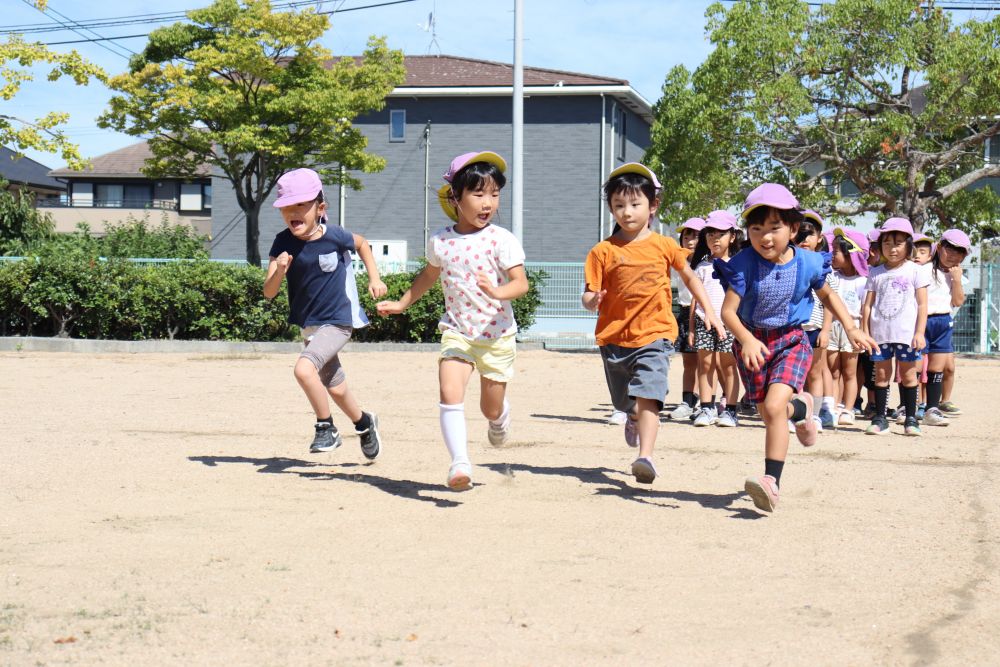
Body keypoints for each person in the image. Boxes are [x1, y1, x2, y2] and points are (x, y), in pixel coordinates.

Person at [714, 183, 875, 513]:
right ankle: (802, 411)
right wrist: (746, 339)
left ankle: (771, 482)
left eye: (775, 228)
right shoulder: (744, 263)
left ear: (793, 228)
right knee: (768, 413)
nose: (765, 237)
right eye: (757, 229)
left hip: (791, 341)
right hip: (753, 343)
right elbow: (728, 311)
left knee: (773, 408)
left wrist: (852, 326)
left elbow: (829, 295)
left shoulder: (809, 262)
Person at [376, 151, 527, 491]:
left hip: (496, 336)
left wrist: (498, 291)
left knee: (489, 408)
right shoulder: (441, 241)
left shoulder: (501, 239)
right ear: (456, 198)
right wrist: (402, 303)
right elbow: (429, 276)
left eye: (494, 194)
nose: (487, 203)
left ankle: (500, 415)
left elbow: (521, 283)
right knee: (449, 390)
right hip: (457, 331)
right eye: (478, 194)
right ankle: (460, 464)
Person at [582, 162, 724, 484]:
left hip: (656, 335)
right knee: (625, 400)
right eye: (619, 205)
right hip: (614, 338)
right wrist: (592, 301)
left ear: (653, 205)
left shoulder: (664, 247)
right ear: (611, 208)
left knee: (650, 393)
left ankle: (645, 456)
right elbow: (588, 295)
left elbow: (689, 277)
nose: (627, 212)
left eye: (635, 204)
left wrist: (711, 312)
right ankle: (630, 413)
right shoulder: (601, 252)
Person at [263, 167, 387, 458]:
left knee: (304, 369)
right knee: (336, 387)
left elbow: (362, 243)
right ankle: (364, 423)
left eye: (300, 205)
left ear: (320, 208)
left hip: (338, 321)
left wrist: (375, 278)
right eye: (286, 207)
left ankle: (325, 427)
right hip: (310, 326)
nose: (292, 212)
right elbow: (268, 291)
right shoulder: (282, 243)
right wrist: (279, 271)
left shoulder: (334, 236)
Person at [861, 217, 929, 436]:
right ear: (880, 246)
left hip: (906, 335)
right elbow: (868, 305)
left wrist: (919, 332)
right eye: (887, 243)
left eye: (898, 243)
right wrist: (865, 332)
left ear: (908, 245)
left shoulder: (915, 271)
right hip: (880, 335)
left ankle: (911, 418)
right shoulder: (875, 273)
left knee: (909, 376)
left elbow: (922, 303)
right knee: (881, 376)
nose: (892, 248)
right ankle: (880, 418)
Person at [689, 210, 740, 427]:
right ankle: (707, 408)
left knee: (729, 366)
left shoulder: (739, 264)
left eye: (720, 234)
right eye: (710, 234)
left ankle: (730, 410)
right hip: (704, 322)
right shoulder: (701, 267)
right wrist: (691, 327)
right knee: (705, 364)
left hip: (731, 323)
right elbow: (695, 300)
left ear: (733, 236)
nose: (715, 238)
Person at [921, 229, 971, 426]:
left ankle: (932, 409)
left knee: (936, 368)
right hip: (921, 320)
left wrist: (957, 280)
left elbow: (958, 301)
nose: (953, 255)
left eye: (959, 252)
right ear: (939, 247)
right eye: (949, 249)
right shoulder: (923, 269)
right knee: (915, 366)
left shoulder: (955, 275)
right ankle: (909, 407)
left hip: (943, 322)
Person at [796, 210, 837, 431]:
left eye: (810, 234)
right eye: (800, 234)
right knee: (795, 373)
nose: (805, 239)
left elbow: (828, 301)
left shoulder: (824, 266)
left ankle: (817, 414)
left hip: (816, 327)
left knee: (816, 371)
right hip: (793, 328)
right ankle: (797, 413)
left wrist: (826, 329)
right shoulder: (789, 262)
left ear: (820, 238)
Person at [826, 227, 870, 426]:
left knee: (850, 372)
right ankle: (833, 408)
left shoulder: (863, 282)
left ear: (851, 254)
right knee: (833, 371)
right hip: (832, 327)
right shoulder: (831, 277)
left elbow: (865, 309)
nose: (831, 254)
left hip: (853, 329)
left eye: (836, 251)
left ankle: (849, 409)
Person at [668, 217, 706, 421]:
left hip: (705, 313)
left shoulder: (708, 263)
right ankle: (687, 401)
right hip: (684, 312)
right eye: (687, 235)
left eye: (696, 236)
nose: (690, 240)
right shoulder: (678, 261)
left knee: (707, 363)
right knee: (689, 361)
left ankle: (705, 401)